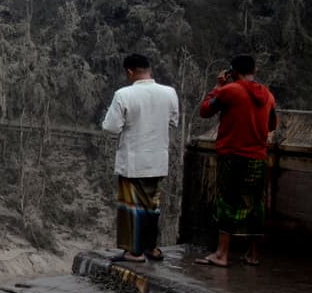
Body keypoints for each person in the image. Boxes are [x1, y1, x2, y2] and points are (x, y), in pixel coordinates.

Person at [196, 55, 278, 267]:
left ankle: (222, 254)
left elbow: (205, 110)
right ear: (255, 69)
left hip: (232, 155)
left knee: (228, 201)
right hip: (258, 157)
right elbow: (271, 125)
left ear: (232, 72)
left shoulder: (230, 91)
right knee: (255, 204)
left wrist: (217, 86)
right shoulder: (268, 96)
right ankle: (253, 254)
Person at [101, 53, 180, 263]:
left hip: (134, 159)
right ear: (148, 68)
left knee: (132, 208)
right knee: (152, 206)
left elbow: (110, 127)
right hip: (158, 159)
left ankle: (133, 252)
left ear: (129, 71)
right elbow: (173, 122)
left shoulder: (123, 94)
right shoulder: (169, 93)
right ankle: (152, 248)